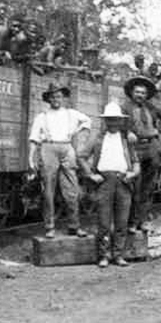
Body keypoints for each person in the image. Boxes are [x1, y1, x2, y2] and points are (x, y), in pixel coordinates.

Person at [79, 102, 140, 268]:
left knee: (122, 222)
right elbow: (82, 156)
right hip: (104, 182)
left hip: (123, 182)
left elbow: (135, 163)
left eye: (116, 120)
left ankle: (118, 255)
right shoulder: (97, 138)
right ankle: (103, 256)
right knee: (104, 222)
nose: (113, 123)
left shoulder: (127, 139)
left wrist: (132, 173)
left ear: (121, 122)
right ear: (105, 121)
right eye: (110, 120)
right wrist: (91, 175)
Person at [28, 83, 91, 239]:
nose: (56, 99)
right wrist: (31, 158)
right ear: (48, 99)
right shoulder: (42, 117)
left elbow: (87, 122)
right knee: (48, 190)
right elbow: (34, 139)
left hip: (67, 148)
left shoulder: (72, 113)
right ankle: (49, 227)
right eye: (53, 97)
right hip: (48, 149)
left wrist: (76, 132)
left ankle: (74, 226)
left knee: (72, 188)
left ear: (63, 98)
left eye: (58, 96)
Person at [121, 76, 161, 233]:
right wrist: (127, 131)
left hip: (152, 149)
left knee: (148, 188)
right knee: (134, 187)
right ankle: (131, 222)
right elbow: (117, 123)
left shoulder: (150, 107)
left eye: (143, 93)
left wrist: (159, 129)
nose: (140, 95)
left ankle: (142, 221)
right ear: (131, 92)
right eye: (137, 92)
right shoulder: (125, 108)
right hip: (135, 149)